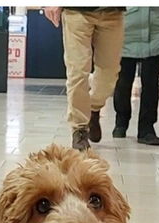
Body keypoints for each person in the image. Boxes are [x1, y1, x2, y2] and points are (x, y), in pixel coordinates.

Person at [43, 6, 125, 151]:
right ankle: (79, 129)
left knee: (110, 73)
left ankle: (94, 108)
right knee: (78, 71)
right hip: (76, 11)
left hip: (112, 12)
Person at [113, 5, 159, 146]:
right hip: (126, 31)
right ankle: (121, 121)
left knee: (151, 82)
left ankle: (146, 129)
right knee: (123, 81)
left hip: (156, 32)